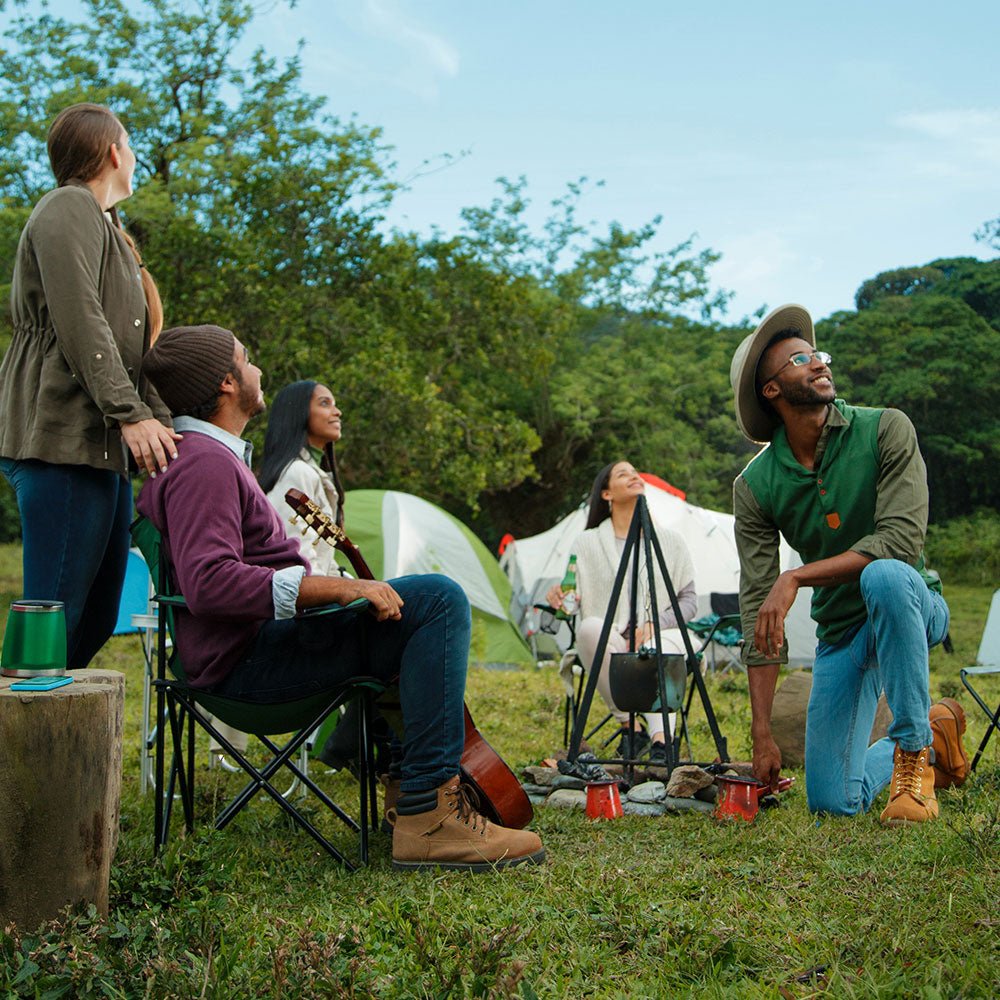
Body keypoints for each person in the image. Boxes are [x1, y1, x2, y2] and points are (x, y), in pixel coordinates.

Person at [136, 324, 545, 872]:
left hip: (254, 650)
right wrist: (343, 586)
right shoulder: (206, 462)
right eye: (248, 358)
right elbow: (210, 582)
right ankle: (431, 816)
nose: (259, 370)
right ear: (228, 383)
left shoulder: (209, 458)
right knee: (439, 599)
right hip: (247, 664)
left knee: (409, 612)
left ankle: (413, 798)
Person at [729, 303, 970, 825]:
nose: (819, 363)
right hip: (842, 632)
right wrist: (762, 734)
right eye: (799, 359)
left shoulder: (885, 428)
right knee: (833, 802)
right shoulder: (754, 486)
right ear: (771, 390)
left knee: (883, 574)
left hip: (911, 602)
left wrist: (796, 576)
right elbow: (756, 610)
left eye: (818, 354)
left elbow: (900, 541)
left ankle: (912, 759)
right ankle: (936, 728)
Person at [0, 102, 179, 668]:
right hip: (59, 440)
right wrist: (130, 414)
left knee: (98, 615)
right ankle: (21, 738)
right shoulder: (67, 206)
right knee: (53, 616)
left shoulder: (114, 236)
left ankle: (45, 734)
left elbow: (133, 356)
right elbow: (80, 318)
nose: (133, 154)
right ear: (111, 151)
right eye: (130, 143)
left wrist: (168, 427)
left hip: (100, 451)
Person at [548, 461, 698, 765]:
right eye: (623, 474)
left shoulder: (670, 541)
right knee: (589, 629)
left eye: (635, 473)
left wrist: (656, 623)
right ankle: (630, 727)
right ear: (606, 494)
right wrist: (560, 597)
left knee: (653, 647)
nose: (634, 476)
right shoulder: (587, 542)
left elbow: (689, 601)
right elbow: (573, 600)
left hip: (664, 636)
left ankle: (661, 742)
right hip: (613, 639)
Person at [259, 380, 345, 577]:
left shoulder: (311, 472)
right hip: (310, 599)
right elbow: (298, 559)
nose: (337, 412)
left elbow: (323, 557)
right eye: (325, 403)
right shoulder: (296, 472)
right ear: (298, 413)